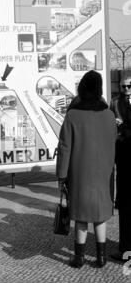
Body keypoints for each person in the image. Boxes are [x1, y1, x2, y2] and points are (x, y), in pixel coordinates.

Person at [56, 70, 116, 268]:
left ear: (82, 89)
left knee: (81, 218)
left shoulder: (73, 115)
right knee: (100, 217)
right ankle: (101, 257)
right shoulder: (109, 115)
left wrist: (61, 175)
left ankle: (79, 258)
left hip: (79, 173)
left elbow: (64, 147)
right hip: (103, 173)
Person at [110, 71, 131, 262]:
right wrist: (115, 126)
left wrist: (124, 127)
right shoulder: (115, 103)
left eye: (129, 86)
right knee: (124, 207)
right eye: (123, 86)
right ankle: (125, 248)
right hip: (123, 160)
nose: (126, 90)